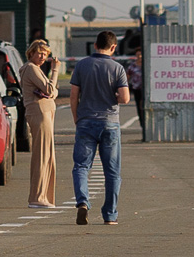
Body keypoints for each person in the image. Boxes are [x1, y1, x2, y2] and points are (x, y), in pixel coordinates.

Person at [68, 29, 130, 226]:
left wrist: (77, 118)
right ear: (113, 47)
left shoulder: (82, 65)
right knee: (112, 171)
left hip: (85, 121)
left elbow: (73, 95)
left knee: (81, 166)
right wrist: (115, 96)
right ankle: (110, 215)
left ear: (95, 45)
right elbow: (125, 98)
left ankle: (83, 202)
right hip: (110, 122)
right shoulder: (117, 68)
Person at [20, 39, 60, 209]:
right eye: (40, 53)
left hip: (45, 113)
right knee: (42, 155)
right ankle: (37, 196)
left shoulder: (36, 69)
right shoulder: (30, 68)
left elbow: (53, 91)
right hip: (40, 113)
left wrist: (51, 90)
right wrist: (55, 71)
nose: (43, 56)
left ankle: (44, 195)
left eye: (46, 54)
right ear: (31, 53)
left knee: (48, 156)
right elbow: (51, 90)